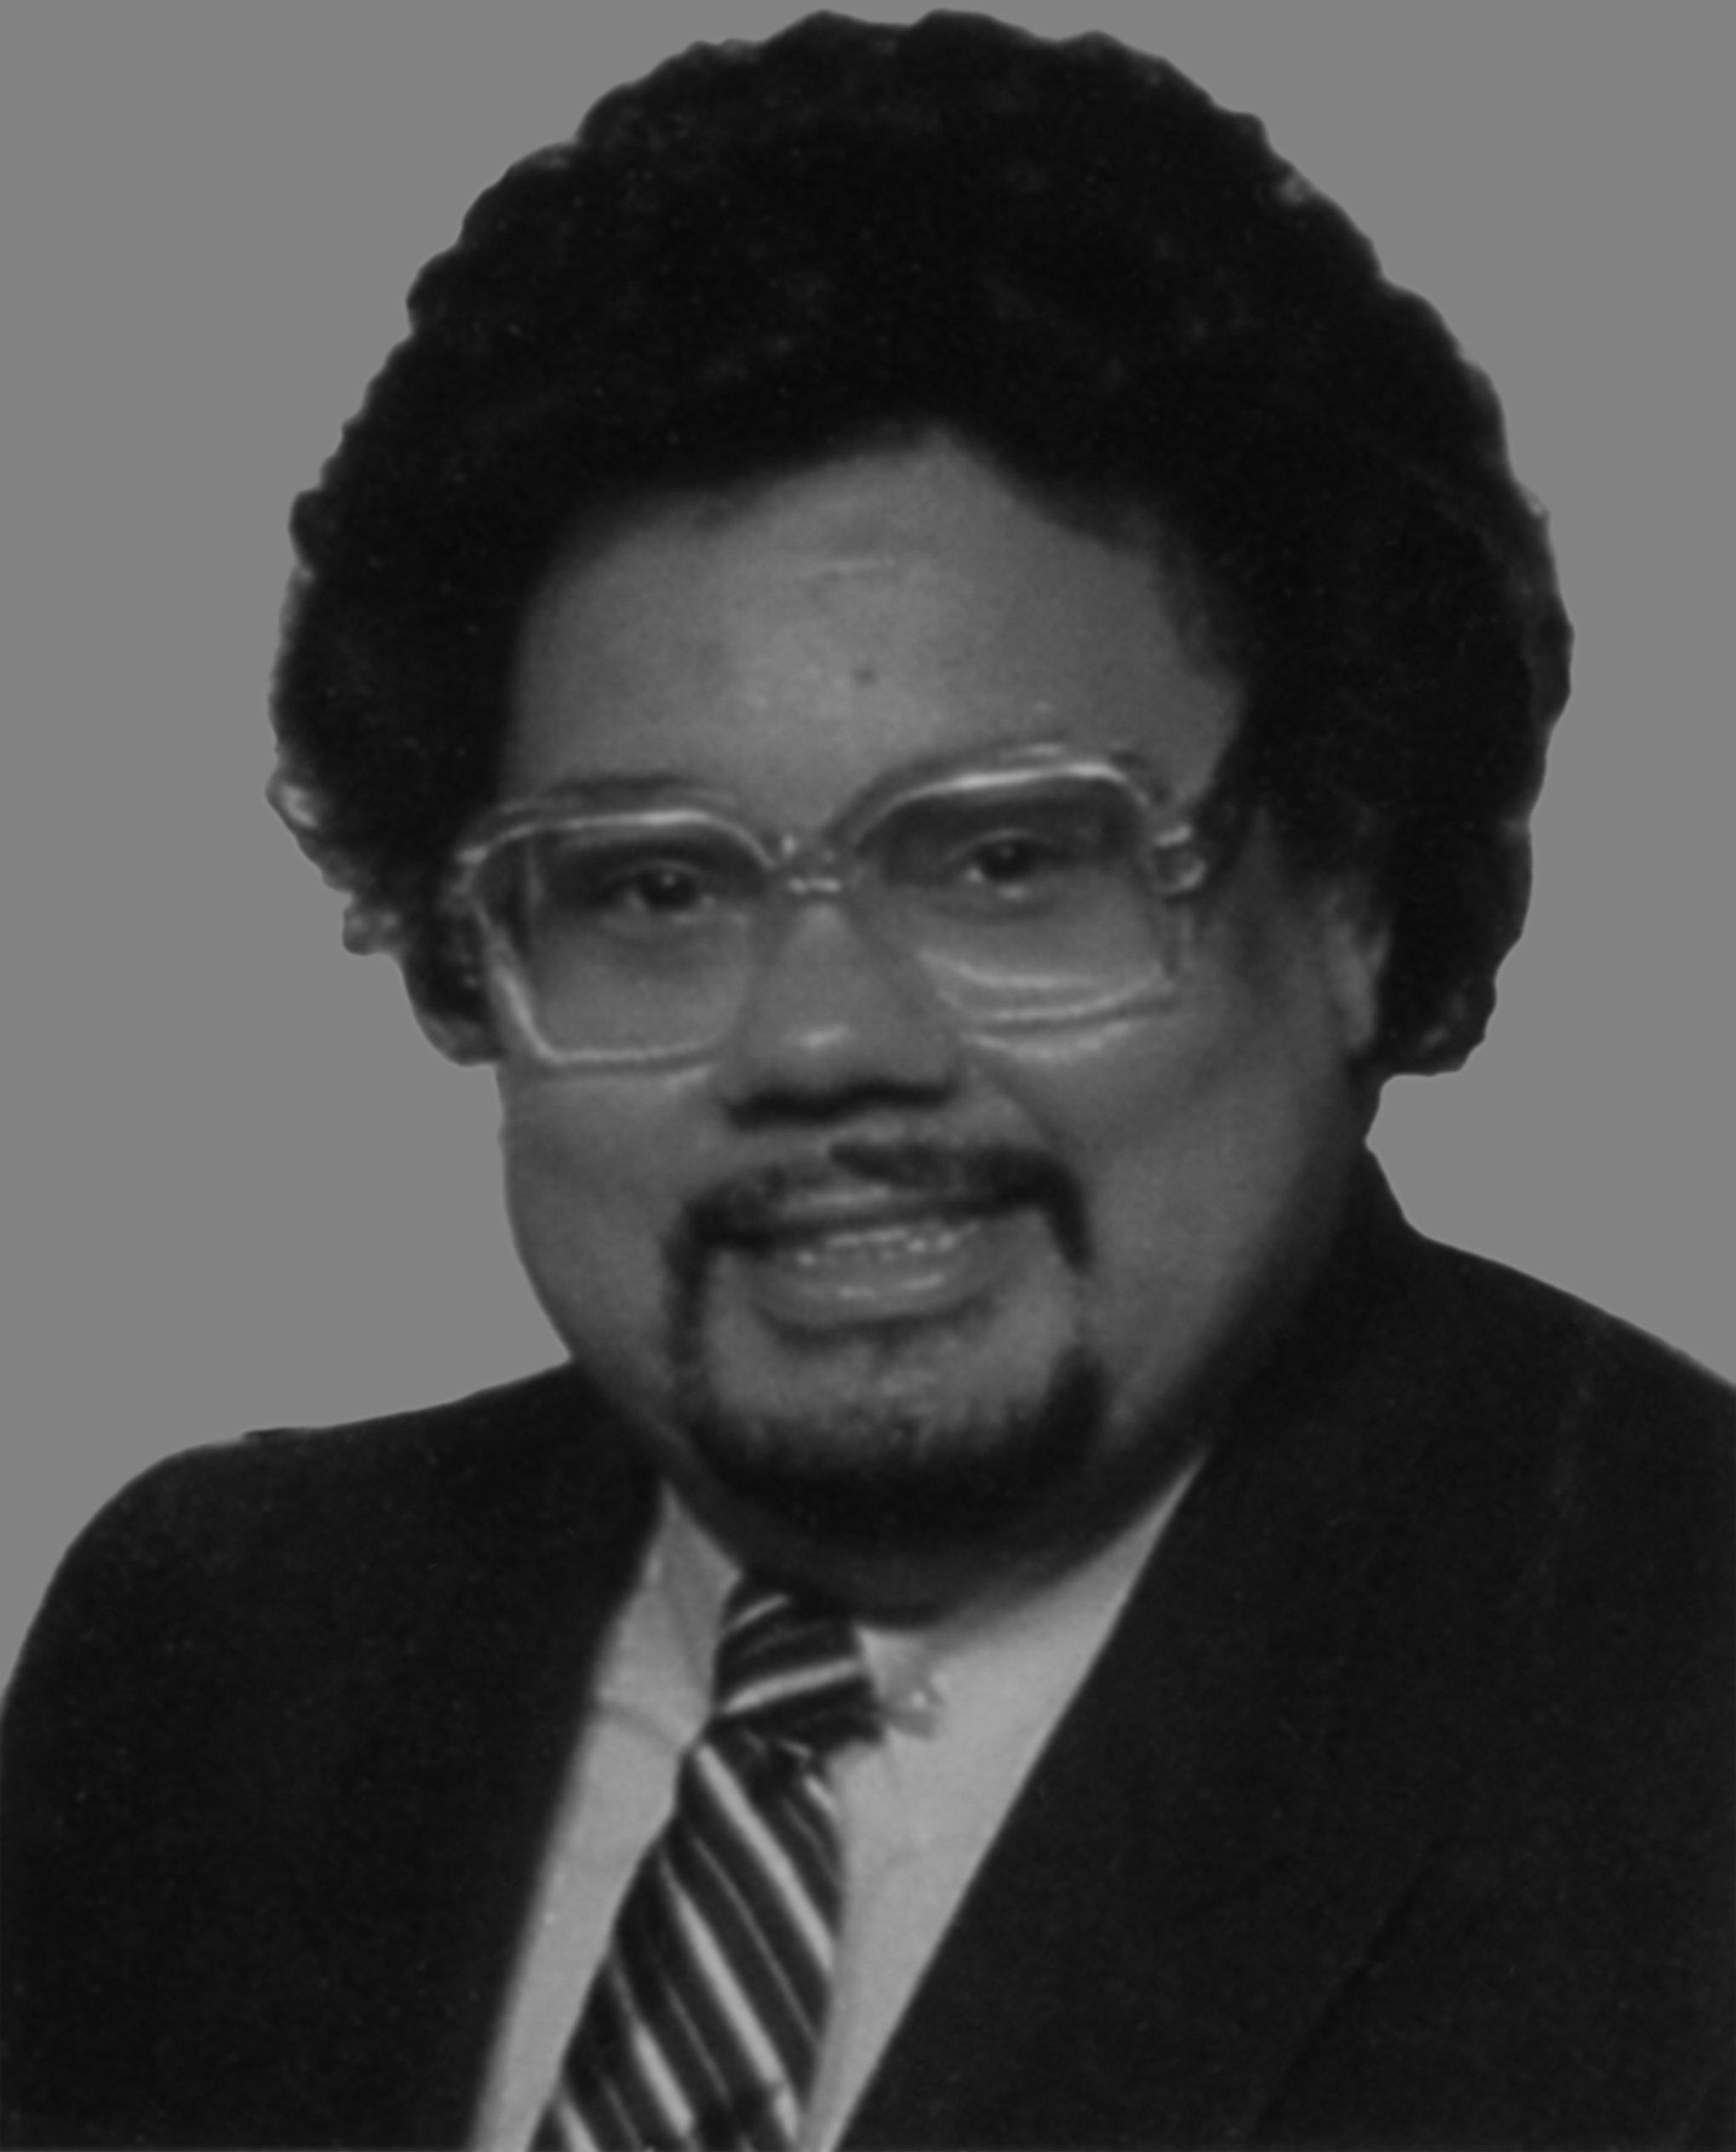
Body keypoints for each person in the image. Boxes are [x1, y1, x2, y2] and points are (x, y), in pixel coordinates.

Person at [2, 13, 1729, 2149]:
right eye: (649, 887)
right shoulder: (213, 1656)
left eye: (1008, 860)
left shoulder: (1683, 1707)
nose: (820, 1042)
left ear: (1357, 889)